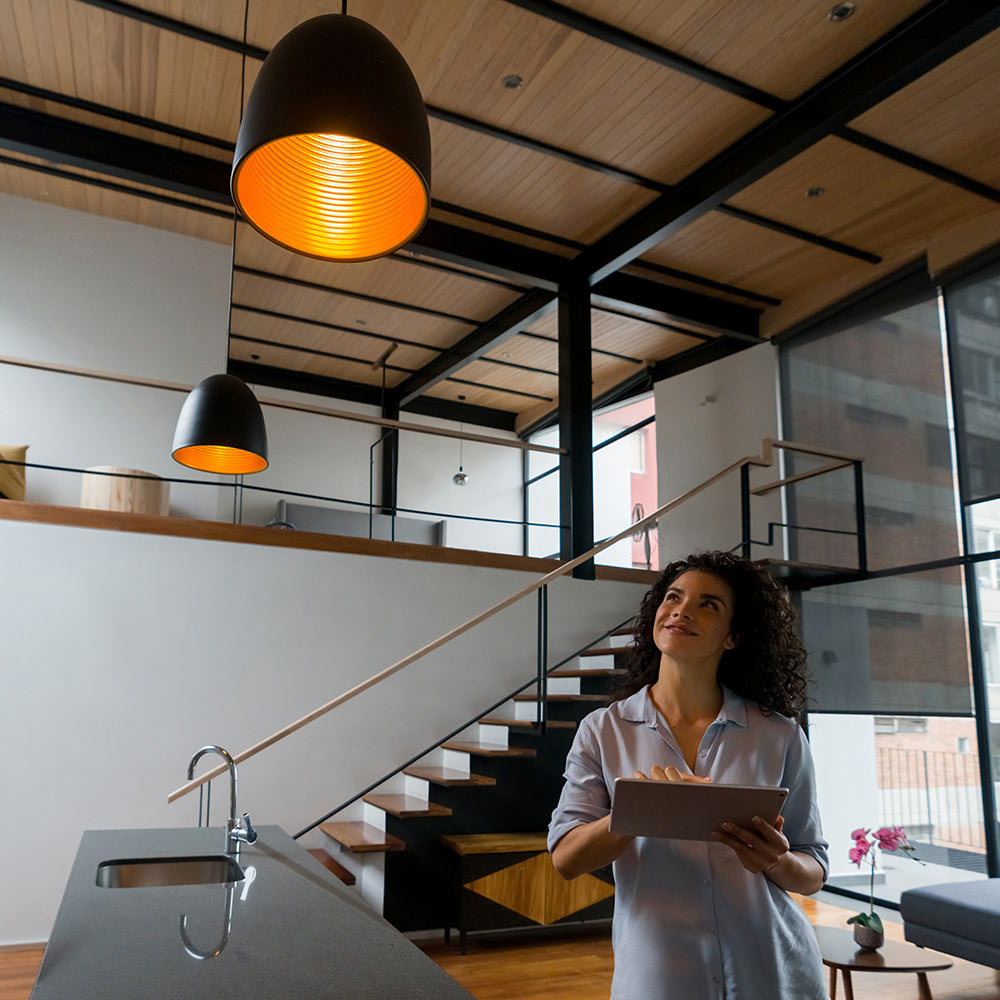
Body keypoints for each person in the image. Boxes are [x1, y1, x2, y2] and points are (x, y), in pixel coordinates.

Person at [548, 550, 828, 1000]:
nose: (681, 610)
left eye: (708, 604)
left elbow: (812, 870)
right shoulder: (603, 731)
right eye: (673, 597)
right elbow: (566, 859)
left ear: (733, 636)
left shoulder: (779, 734)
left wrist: (778, 861)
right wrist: (639, 811)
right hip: (659, 978)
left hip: (771, 974)